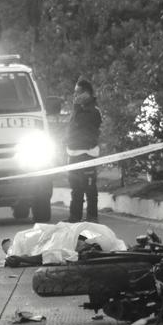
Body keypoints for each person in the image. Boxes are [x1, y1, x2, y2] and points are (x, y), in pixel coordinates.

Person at [64, 77, 102, 223]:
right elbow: (72, 128)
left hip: (87, 154)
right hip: (73, 154)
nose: (75, 95)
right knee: (76, 189)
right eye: (74, 92)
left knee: (90, 188)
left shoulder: (93, 111)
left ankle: (92, 217)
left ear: (86, 93)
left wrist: (77, 107)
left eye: (78, 92)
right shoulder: (78, 109)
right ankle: (74, 217)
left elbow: (81, 124)